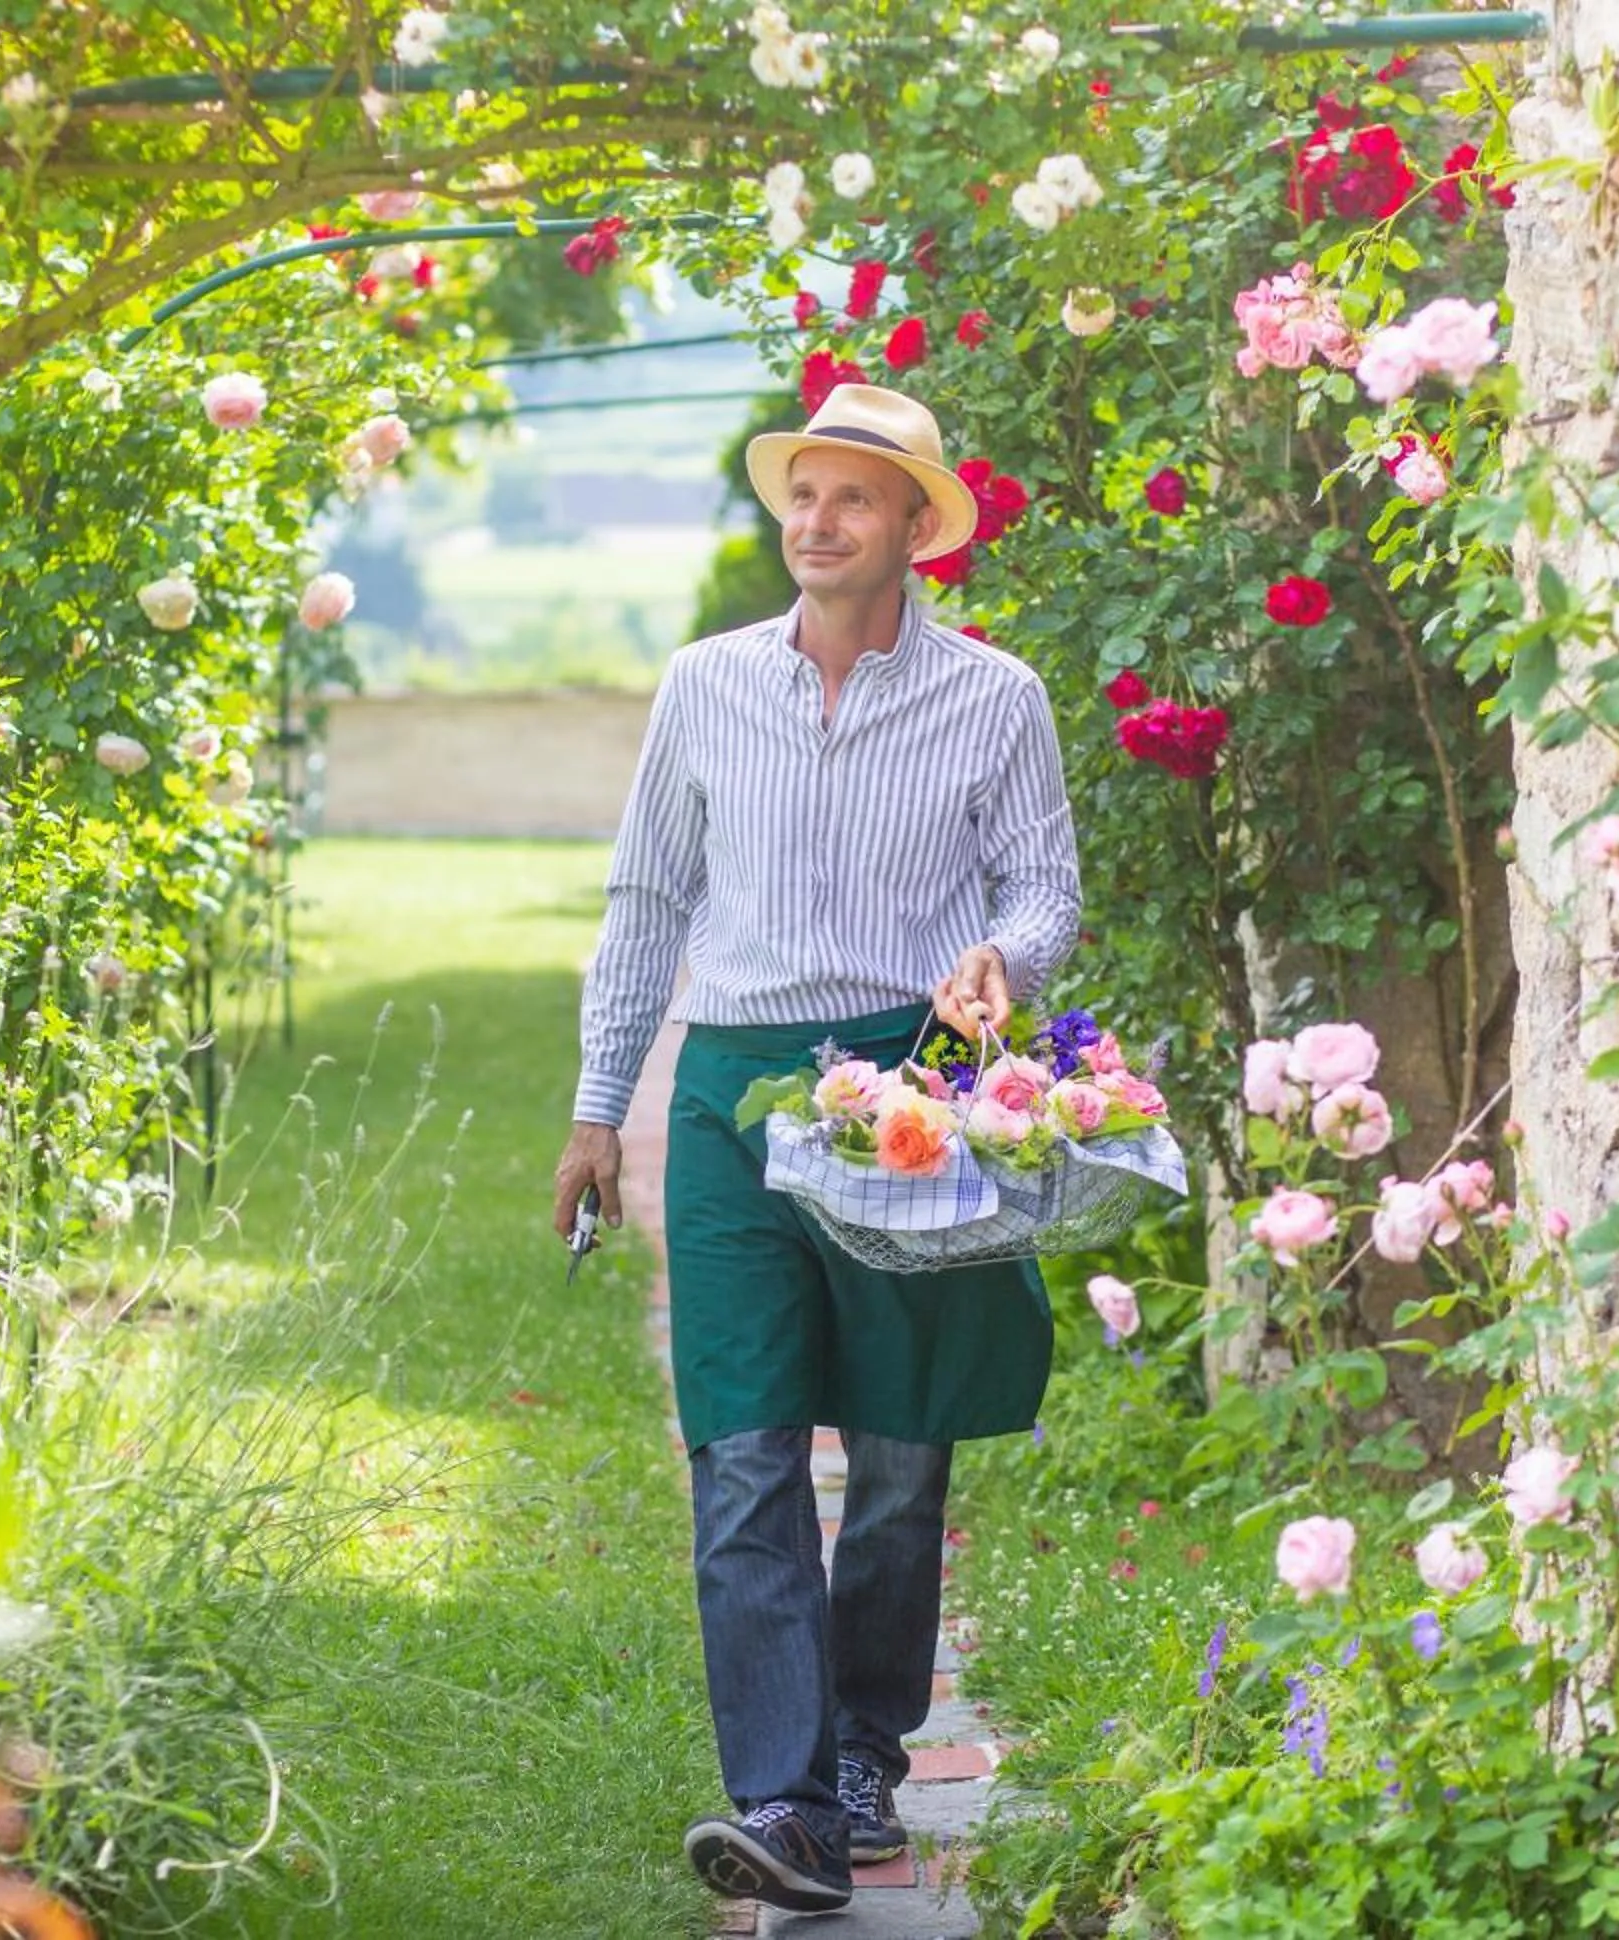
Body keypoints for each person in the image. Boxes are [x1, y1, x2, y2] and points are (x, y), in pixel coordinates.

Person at [551, 383, 1081, 1915]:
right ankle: (781, 1798)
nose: (816, 523)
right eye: (802, 496)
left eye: (853, 500)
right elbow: (647, 905)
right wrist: (600, 1109)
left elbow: (1043, 891)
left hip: (907, 1081)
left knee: (903, 1457)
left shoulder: (996, 698)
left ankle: (864, 1753)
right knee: (743, 1444)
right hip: (727, 1094)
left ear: (917, 528)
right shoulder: (704, 686)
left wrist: (1001, 960)